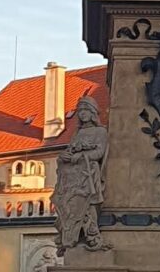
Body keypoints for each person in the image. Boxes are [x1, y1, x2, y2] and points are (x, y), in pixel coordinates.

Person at [52, 96, 109, 255]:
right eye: (80, 111)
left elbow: (99, 152)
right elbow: (71, 150)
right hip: (72, 177)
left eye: (85, 110)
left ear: (93, 113)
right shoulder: (78, 132)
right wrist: (65, 156)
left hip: (88, 174)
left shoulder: (100, 131)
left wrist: (79, 157)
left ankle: (91, 232)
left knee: (88, 203)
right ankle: (69, 234)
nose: (82, 114)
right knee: (68, 203)